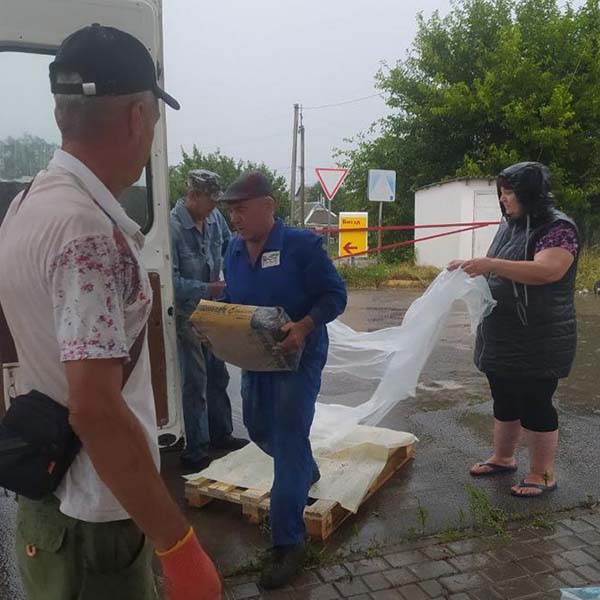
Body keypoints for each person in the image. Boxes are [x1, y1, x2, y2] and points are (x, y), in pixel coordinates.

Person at [0, 25, 220, 600]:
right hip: (97, 519)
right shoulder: (88, 236)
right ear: (137, 119)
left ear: (60, 114)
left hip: (47, 499)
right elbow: (96, 410)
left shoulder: (27, 207)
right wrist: (180, 549)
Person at [220, 171, 347, 589]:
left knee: (289, 439)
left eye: (241, 208)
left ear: (268, 206)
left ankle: (289, 544)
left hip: (299, 354)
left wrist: (305, 327)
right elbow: (233, 300)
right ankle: (305, 469)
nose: (234, 217)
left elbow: (335, 295)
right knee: (259, 428)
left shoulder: (301, 245)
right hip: (257, 357)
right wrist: (212, 321)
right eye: (230, 209)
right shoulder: (233, 250)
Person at [448, 161, 579, 498]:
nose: (503, 200)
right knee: (504, 398)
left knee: (535, 402)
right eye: (502, 193)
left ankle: (542, 473)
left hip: (540, 336)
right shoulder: (511, 225)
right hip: (502, 332)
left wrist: (490, 265)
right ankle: (503, 458)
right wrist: (469, 268)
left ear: (530, 194)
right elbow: (500, 265)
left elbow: (547, 271)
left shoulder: (558, 228)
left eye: (509, 193)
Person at [171, 169, 248, 472]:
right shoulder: (172, 227)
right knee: (195, 381)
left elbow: (230, 249)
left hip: (215, 310)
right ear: (193, 196)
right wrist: (207, 288)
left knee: (219, 375)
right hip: (188, 314)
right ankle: (196, 449)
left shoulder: (214, 220)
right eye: (211, 201)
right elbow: (169, 280)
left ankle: (222, 434)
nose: (216, 208)